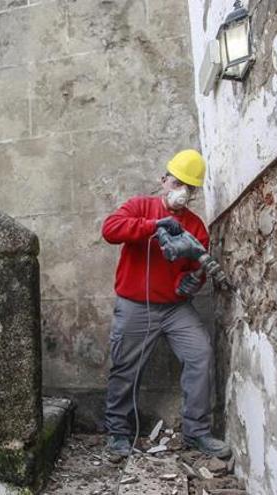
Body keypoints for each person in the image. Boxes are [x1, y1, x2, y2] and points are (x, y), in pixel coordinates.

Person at [101, 149, 231, 459]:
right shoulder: (139, 207)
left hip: (174, 309)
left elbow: (193, 272)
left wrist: (190, 283)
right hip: (135, 305)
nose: (182, 191)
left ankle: (197, 431)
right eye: (177, 182)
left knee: (200, 352)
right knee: (125, 367)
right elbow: (110, 230)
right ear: (164, 181)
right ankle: (119, 432)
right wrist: (153, 225)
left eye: (190, 187)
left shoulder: (196, 226)